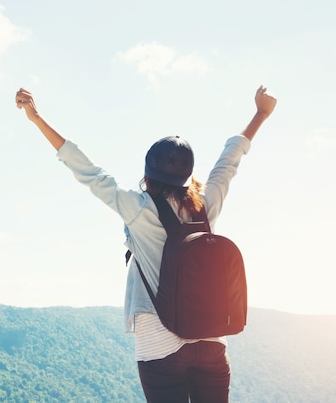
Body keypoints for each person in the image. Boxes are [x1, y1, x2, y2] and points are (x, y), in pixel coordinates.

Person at [15, 86, 277, 403]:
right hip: (212, 342)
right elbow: (229, 159)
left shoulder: (138, 208)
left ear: (148, 173)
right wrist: (260, 114)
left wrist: (37, 119)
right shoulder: (205, 205)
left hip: (160, 344)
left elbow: (88, 171)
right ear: (187, 174)